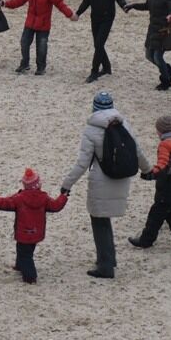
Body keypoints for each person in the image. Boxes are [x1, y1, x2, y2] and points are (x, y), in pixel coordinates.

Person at [61, 91, 150, 279]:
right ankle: (110, 258)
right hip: (122, 177)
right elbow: (138, 151)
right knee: (105, 219)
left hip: (102, 180)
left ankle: (106, 266)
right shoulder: (123, 123)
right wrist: (147, 170)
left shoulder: (91, 130)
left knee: (99, 221)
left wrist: (67, 185)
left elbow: (82, 163)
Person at [0, 168, 67, 284]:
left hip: (23, 233)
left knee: (25, 254)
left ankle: (30, 277)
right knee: (25, 250)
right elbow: (56, 206)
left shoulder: (19, 198)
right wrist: (63, 196)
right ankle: (20, 266)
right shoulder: (43, 198)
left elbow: (4, 203)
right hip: (36, 232)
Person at [128, 116, 171, 252]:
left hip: (168, 188)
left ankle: (145, 241)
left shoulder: (165, 144)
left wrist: (150, 174)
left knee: (155, 215)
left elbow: (163, 164)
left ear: (159, 130)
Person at [1, 0, 76, 76]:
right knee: (24, 43)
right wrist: (5, 3)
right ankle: (25, 64)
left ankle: (41, 67)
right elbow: (19, 0)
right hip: (30, 23)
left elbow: (60, 4)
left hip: (43, 24)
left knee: (41, 46)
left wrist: (70, 14)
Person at [74, 0, 127, 84]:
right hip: (95, 17)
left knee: (98, 44)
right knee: (98, 44)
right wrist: (78, 13)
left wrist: (124, 6)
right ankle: (107, 67)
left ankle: (94, 72)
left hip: (107, 17)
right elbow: (86, 0)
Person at [125, 0, 171, 90]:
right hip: (152, 28)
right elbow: (147, 5)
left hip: (163, 29)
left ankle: (166, 81)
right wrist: (133, 6)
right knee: (148, 55)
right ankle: (167, 69)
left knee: (157, 56)